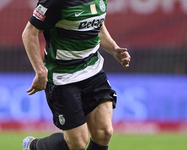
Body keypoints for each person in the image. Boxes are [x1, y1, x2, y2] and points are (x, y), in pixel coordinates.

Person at [22, 0, 131, 150]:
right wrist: (40, 71)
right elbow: (29, 32)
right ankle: (33, 146)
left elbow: (98, 28)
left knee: (104, 132)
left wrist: (114, 49)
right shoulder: (55, 2)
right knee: (78, 144)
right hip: (63, 77)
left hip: (93, 72)